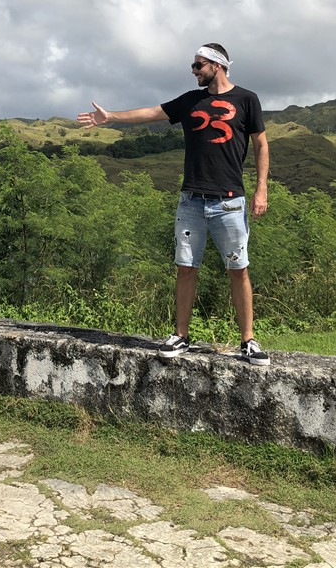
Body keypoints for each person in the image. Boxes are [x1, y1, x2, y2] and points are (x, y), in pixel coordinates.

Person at [77, 43, 270, 365]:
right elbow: (151, 112)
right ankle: (181, 335)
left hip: (229, 202)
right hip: (191, 200)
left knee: (238, 270)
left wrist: (261, 188)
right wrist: (111, 117)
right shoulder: (190, 101)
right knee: (185, 268)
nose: (193, 70)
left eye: (198, 65)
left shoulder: (247, 99)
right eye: (193, 65)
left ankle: (248, 341)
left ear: (217, 65)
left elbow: (261, 145)